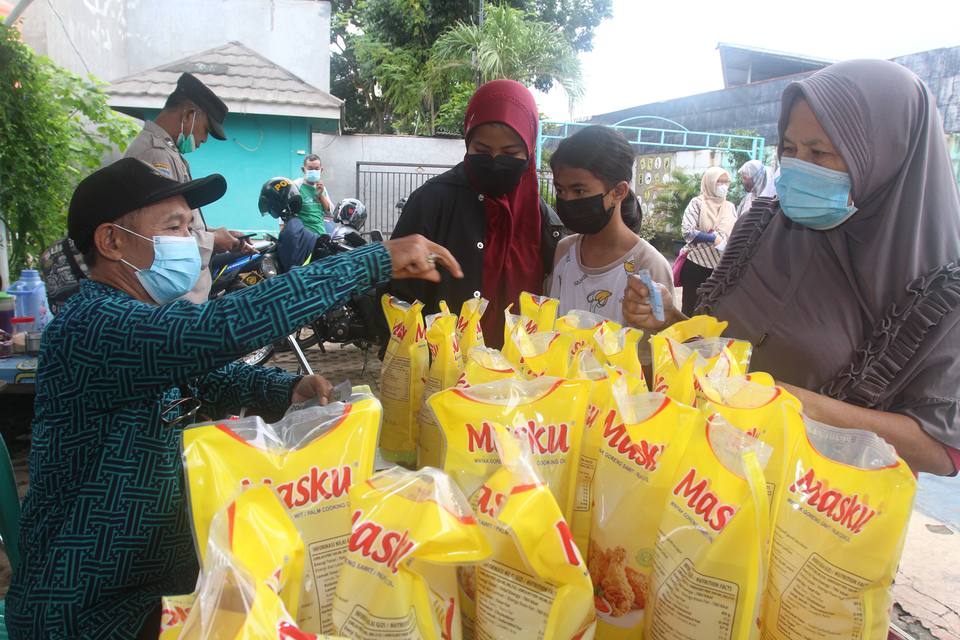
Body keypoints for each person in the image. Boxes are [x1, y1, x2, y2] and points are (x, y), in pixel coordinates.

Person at [4, 158, 461, 640]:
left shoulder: (139, 316)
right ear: (111, 241)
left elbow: (206, 375)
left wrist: (285, 388)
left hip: (163, 588)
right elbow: (216, 330)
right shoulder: (90, 325)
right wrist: (373, 259)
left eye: (189, 227)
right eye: (173, 227)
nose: (188, 242)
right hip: (91, 611)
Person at [624, 59, 960, 477]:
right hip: (701, 481)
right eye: (789, 148)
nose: (798, 166)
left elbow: (940, 449)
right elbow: (728, 344)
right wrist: (673, 322)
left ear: (885, 158)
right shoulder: (761, 228)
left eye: (819, 151)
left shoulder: (938, 290)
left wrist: (779, 400)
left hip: (813, 514)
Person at [388, 79, 564, 348]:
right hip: (443, 372)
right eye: (482, 151)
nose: (494, 161)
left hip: (518, 378)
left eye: (510, 152)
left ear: (528, 151)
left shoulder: (543, 219)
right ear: (467, 144)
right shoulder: (433, 201)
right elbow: (399, 296)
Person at [125, 72, 255, 303]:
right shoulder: (154, 155)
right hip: (174, 303)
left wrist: (218, 235)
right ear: (189, 114)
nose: (204, 140)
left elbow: (180, 225)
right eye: (205, 130)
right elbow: (159, 238)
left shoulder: (168, 153)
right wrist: (213, 241)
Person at [547, 125, 674, 338]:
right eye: (560, 190)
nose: (567, 201)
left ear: (618, 192)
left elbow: (656, 354)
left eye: (579, 191)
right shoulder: (564, 251)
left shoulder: (649, 266)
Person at [676, 167, 737, 317]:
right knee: (690, 311)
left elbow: (736, 233)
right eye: (719, 181)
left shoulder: (730, 207)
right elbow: (687, 231)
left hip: (721, 268)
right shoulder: (697, 204)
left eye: (726, 181)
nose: (723, 185)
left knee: (714, 313)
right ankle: (687, 340)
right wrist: (714, 239)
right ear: (710, 182)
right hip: (696, 265)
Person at [293, 154, 335, 235]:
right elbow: (285, 214)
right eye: (310, 168)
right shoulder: (295, 186)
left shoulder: (321, 187)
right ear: (303, 170)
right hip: (302, 236)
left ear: (321, 170)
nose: (313, 171)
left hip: (320, 234)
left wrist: (321, 194)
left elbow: (330, 212)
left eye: (316, 169)